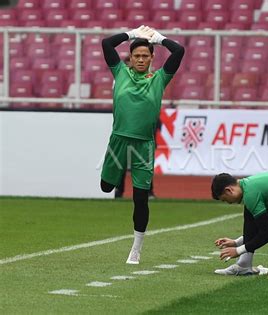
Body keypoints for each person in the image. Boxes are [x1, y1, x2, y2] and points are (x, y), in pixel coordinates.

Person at [100, 25, 184, 264]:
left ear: (151, 58)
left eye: (145, 55)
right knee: (106, 187)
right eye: (136, 55)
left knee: (141, 198)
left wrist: (160, 39)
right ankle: (113, 181)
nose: (140, 59)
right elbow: (107, 44)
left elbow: (179, 51)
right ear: (130, 57)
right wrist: (132, 34)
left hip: (144, 146)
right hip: (118, 141)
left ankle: (136, 249)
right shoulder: (120, 72)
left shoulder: (159, 78)